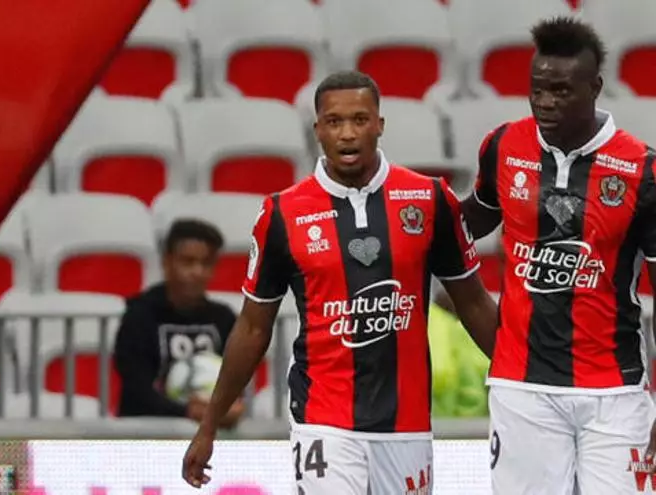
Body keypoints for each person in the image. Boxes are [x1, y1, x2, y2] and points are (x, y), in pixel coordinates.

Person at [182, 71, 499, 494]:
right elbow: (254, 327)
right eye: (334, 122)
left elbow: (473, 302)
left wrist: (524, 381)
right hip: (323, 421)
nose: (347, 134)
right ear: (318, 130)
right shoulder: (283, 213)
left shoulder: (429, 199)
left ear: (379, 125)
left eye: (359, 120)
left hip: (406, 428)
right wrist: (209, 424)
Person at [460, 16, 656, 494]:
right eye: (537, 89)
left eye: (561, 91)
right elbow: (466, 224)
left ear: (595, 88)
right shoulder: (503, 146)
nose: (545, 102)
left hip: (615, 391)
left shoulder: (642, 171)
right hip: (522, 391)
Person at [114, 219, 244, 427]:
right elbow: (136, 388)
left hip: (207, 432)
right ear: (167, 262)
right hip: (146, 431)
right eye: (188, 262)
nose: (197, 271)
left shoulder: (224, 318)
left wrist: (229, 407)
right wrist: (187, 411)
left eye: (206, 263)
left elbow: (236, 379)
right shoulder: (139, 316)